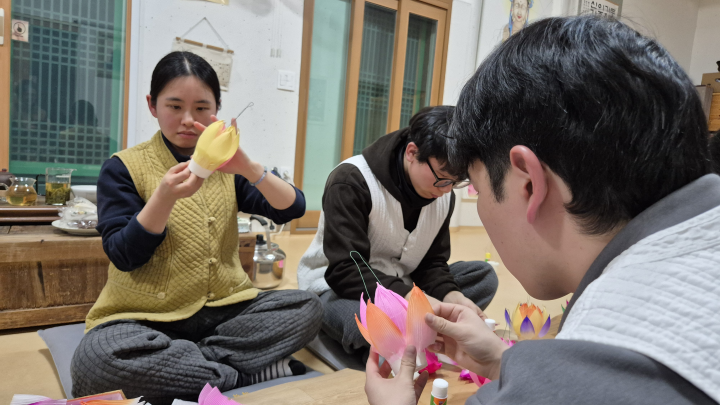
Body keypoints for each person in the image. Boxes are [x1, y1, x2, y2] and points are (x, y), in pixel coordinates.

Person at [364, 16, 720, 405]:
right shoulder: (356, 181)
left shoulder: (558, 385)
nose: (454, 193)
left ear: (529, 183)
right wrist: (504, 362)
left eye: (476, 188)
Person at [71, 52, 322, 405]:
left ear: (217, 109)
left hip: (225, 310)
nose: (188, 120)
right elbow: (123, 255)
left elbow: (291, 209)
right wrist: (163, 197)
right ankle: (239, 372)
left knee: (307, 306)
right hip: (144, 318)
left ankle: (188, 366)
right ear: (152, 105)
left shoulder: (227, 168)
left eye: (202, 108)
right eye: (174, 106)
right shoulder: (123, 167)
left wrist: (249, 168)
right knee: (94, 363)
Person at [298, 106, 498, 356]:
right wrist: (415, 300)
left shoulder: (443, 195)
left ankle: (412, 330)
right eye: (443, 178)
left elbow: (431, 263)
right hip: (342, 288)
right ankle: (412, 329)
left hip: (403, 284)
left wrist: (452, 296)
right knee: (364, 324)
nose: (447, 189)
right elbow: (345, 271)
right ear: (412, 152)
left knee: (482, 277)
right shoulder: (351, 181)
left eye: (456, 182)